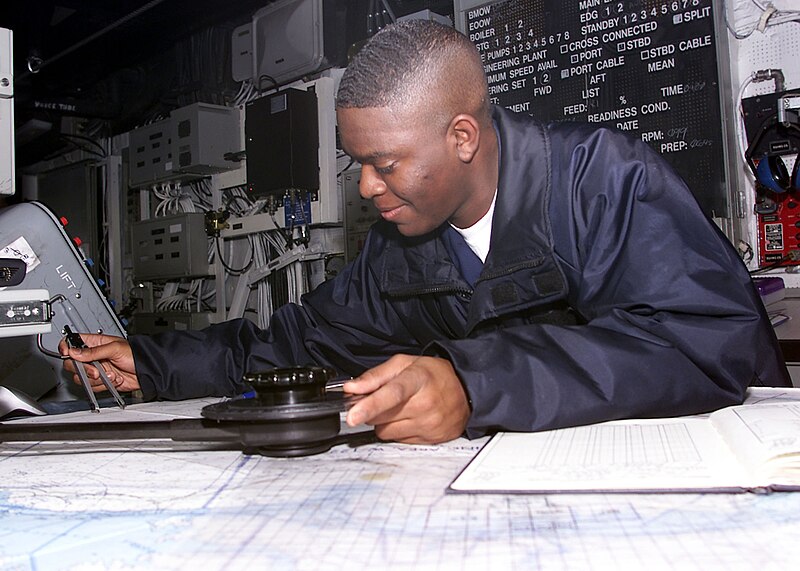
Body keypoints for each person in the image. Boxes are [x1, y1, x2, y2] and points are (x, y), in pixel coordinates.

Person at [61, 19, 790, 444]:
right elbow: (293, 344)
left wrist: (476, 383)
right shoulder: (398, 250)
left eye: (384, 163)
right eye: (357, 166)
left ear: (463, 137)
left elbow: (709, 344)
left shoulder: (605, 183)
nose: (368, 187)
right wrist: (155, 364)